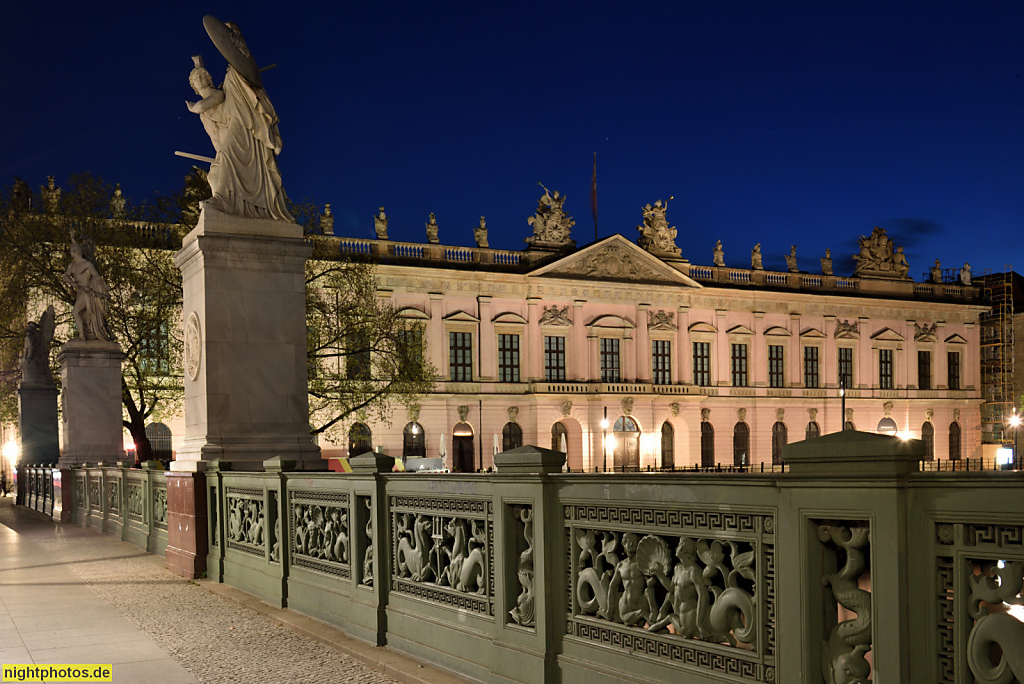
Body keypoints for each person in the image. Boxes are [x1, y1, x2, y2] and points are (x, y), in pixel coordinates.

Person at [186, 37, 293, 222]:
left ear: (209, 78)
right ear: (193, 86)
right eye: (196, 79)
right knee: (214, 173)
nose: (200, 79)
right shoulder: (206, 105)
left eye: (202, 76)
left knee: (227, 161)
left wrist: (193, 107)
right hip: (223, 142)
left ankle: (224, 201)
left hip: (236, 132)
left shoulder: (217, 94)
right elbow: (213, 134)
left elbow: (203, 106)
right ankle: (224, 204)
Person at [63, 242, 112, 342]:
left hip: (87, 293)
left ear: (74, 252)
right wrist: (74, 284)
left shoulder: (87, 264)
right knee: (81, 314)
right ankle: (85, 334)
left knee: (75, 312)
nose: (70, 253)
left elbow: (96, 276)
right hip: (80, 292)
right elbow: (65, 276)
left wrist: (91, 286)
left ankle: (82, 336)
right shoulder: (72, 265)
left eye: (71, 251)